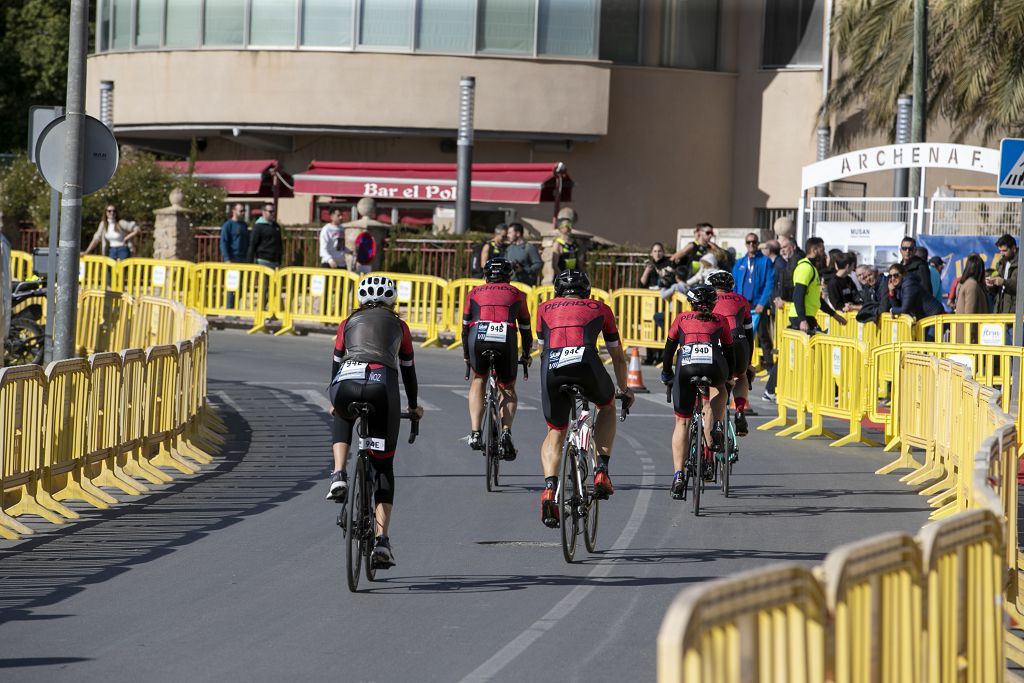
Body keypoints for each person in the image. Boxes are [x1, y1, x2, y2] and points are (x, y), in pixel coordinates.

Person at [326, 275, 423, 570]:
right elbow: (408, 374)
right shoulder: (401, 327)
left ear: (360, 299)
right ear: (392, 300)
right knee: (383, 465)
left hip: (346, 382)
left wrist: (335, 403)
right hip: (382, 386)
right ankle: (382, 540)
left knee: (342, 413)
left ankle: (339, 474)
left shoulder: (347, 323)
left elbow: (334, 365)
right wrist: (413, 407)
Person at [536, 269, 634, 528]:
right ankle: (601, 470)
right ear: (587, 292)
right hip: (586, 362)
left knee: (555, 432)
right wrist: (623, 389)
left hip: (552, 367)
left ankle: (549, 488)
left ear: (557, 292)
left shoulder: (544, 308)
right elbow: (618, 357)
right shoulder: (601, 308)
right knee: (607, 404)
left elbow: (540, 348)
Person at [661, 286, 737, 497]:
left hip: (686, 367)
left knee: (682, 422)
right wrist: (729, 378)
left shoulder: (682, 318)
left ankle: (678, 474)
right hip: (713, 365)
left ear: (691, 304)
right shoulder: (721, 320)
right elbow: (730, 353)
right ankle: (716, 426)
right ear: (714, 305)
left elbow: (668, 350)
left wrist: (667, 374)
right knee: (720, 391)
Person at [462, 258, 533, 459]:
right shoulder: (519, 294)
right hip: (507, 338)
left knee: (479, 379)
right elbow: (526, 331)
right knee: (508, 388)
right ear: (509, 278)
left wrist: (467, 357)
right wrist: (526, 355)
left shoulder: (473, 293)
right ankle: (506, 432)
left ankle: (476, 432)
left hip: (478, 335)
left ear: (485, 277)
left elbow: (465, 329)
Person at [707, 271, 753, 438]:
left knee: (716, 385)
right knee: (741, 375)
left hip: (718, 342)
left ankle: (713, 431)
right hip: (740, 341)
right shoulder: (741, 299)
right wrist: (748, 363)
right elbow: (750, 334)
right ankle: (740, 409)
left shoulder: (708, 300)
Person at [788, 237, 847, 334]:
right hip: (801, 317)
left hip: (807, 316)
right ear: (814, 250)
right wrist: (802, 320)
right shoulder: (805, 268)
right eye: (822, 250)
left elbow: (816, 299)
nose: (824, 254)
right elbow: (798, 295)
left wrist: (834, 315)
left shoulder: (812, 268)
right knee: (817, 347)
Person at [987, 234, 1018, 314]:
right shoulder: (1001, 263)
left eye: (1004, 251)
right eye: (1000, 251)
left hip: (1015, 312)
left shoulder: (1020, 263)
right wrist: (991, 284)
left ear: (1013, 249)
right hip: (1000, 310)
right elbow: (997, 290)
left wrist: (1003, 282)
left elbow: (1019, 286)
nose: (1001, 253)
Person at [247, 203, 284, 268]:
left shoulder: (276, 226)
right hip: (262, 261)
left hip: (275, 262)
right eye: (270, 212)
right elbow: (252, 244)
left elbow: (279, 243)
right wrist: (250, 262)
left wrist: (279, 259)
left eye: (274, 211)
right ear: (263, 212)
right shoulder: (258, 227)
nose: (273, 214)